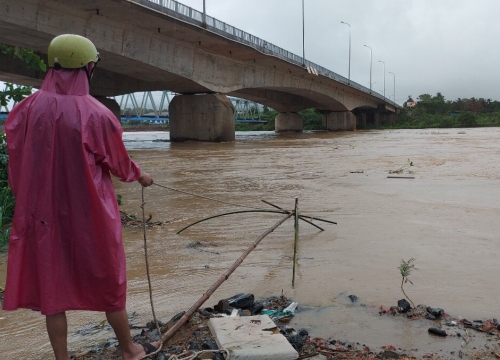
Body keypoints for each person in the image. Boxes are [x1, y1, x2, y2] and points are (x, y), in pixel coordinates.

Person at [3, 34, 158, 360]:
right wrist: (140, 175)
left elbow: (16, 156)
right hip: (91, 215)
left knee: (51, 286)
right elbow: (118, 163)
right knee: (109, 280)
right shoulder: (97, 115)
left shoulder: (26, 109)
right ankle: (129, 350)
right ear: (88, 67)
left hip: (41, 215)